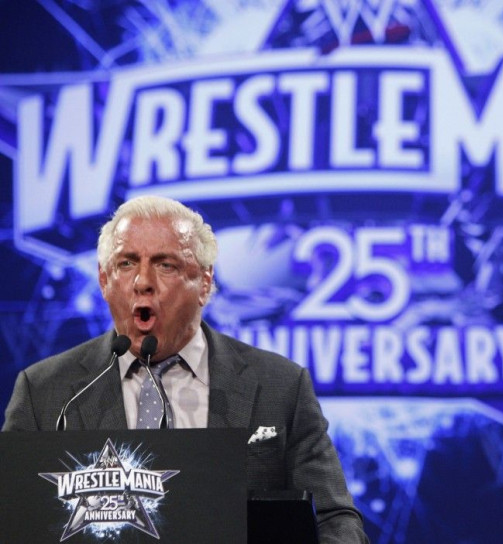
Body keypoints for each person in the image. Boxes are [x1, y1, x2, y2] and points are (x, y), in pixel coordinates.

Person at [2, 195, 369, 543]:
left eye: (166, 265)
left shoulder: (282, 387)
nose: (142, 282)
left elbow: (335, 519)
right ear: (103, 280)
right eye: (126, 263)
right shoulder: (45, 392)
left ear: (205, 284)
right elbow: (12, 516)